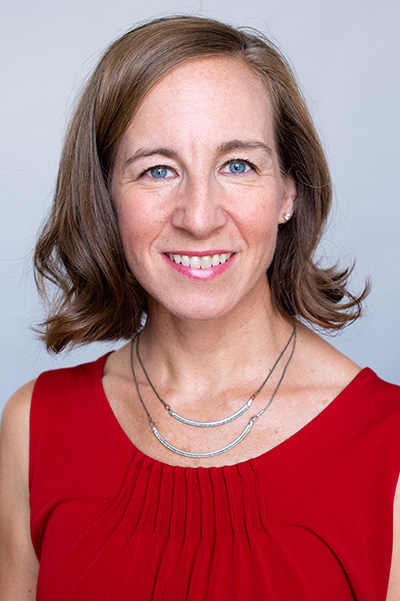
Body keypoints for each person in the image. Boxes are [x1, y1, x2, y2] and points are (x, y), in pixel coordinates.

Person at [0, 15, 399, 601]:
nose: (198, 216)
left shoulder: (387, 447)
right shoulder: (34, 428)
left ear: (288, 191)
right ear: (106, 195)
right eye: (157, 169)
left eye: (238, 165)